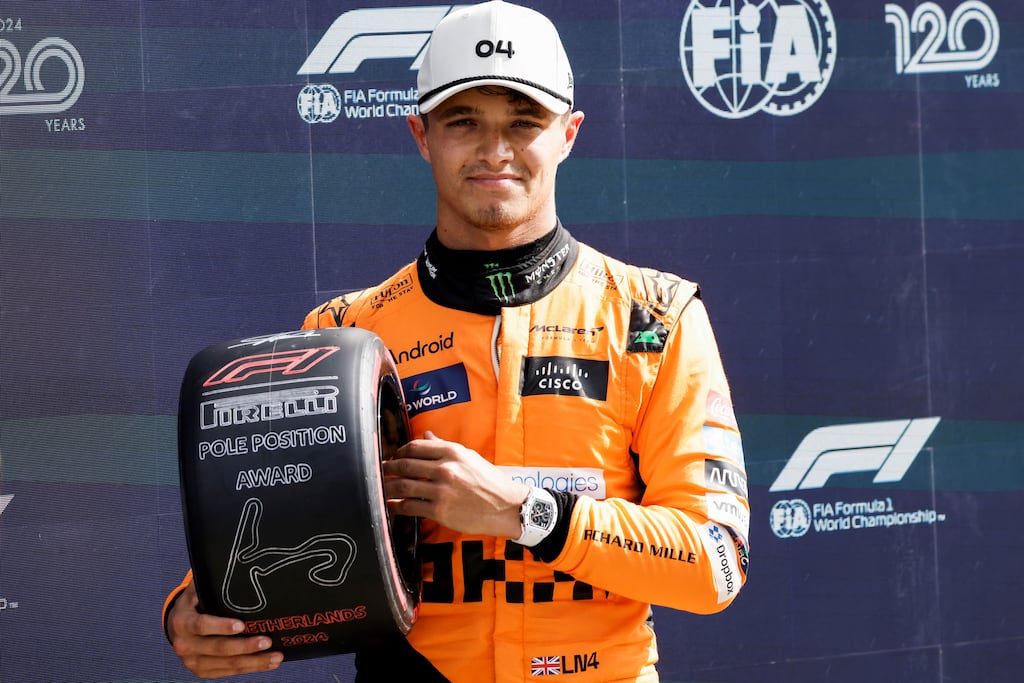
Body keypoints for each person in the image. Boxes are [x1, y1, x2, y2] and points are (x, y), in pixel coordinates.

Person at [163, 1, 750, 680]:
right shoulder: (343, 333)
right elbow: (267, 531)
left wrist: (525, 512)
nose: (494, 150)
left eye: (524, 122)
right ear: (421, 134)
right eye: (464, 121)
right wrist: (190, 613)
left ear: (568, 133)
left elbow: (715, 562)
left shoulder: (655, 318)